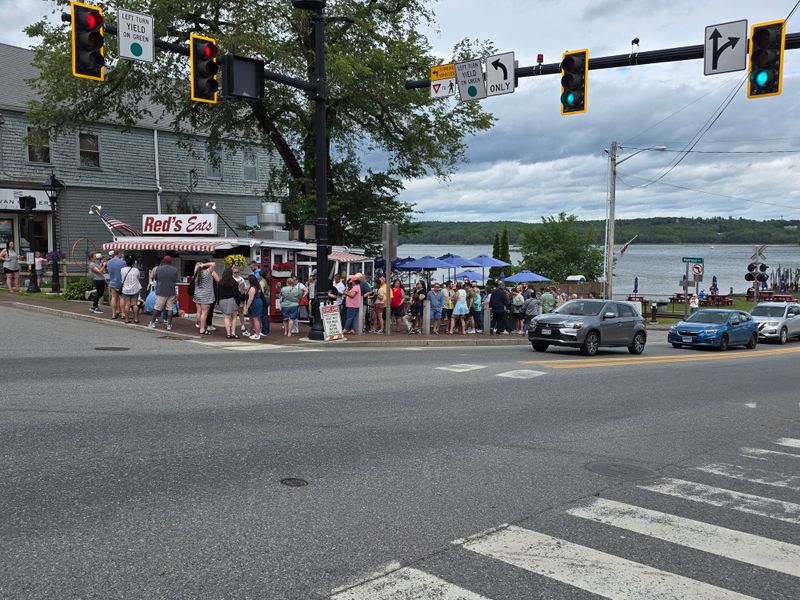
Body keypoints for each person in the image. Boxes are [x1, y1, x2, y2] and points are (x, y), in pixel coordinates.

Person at [148, 256, 179, 331]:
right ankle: (169, 325)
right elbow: (175, 280)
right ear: (170, 262)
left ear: (163, 261)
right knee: (170, 309)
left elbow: (156, 279)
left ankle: (153, 322)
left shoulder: (158, 269)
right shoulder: (175, 270)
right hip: (171, 291)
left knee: (157, 308)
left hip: (161, 291)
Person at [192, 261, 218, 335]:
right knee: (204, 313)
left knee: (198, 312)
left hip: (197, 295)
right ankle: (202, 329)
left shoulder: (196, 272)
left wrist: (200, 265)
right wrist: (203, 264)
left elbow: (196, 265)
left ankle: (200, 326)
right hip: (206, 296)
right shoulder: (207, 272)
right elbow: (213, 263)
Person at [218, 268, 243, 339]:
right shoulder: (234, 282)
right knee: (234, 317)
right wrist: (238, 301)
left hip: (222, 300)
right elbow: (236, 293)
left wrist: (218, 301)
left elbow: (218, 293)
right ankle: (233, 333)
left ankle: (228, 334)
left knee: (226, 317)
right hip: (232, 300)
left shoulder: (220, 282)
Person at [120, 256, 142, 323]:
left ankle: (126, 319)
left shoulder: (122, 269)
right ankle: (136, 319)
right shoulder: (136, 270)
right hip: (135, 289)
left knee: (127, 304)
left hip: (126, 289)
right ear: (133, 263)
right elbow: (138, 277)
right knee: (135, 304)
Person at [106, 250, 126, 320]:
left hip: (112, 282)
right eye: (121, 254)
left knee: (113, 297)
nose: (122, 255)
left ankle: (114, 313)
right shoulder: (123, 262)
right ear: (119, 254)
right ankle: (123, 313)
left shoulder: (108, 262)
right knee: (122, 298)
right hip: (120, 283)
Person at [243, 274, 263, 340]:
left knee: (255, 319)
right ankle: (248, 331)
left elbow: (250, 299)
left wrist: (247, 307)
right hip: (258, 302)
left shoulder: (252, 288)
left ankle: (257, 334)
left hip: (254, 304)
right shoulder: (258, 286)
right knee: (252, 318)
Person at [233, 267, 249, 334]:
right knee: (233, 312)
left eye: (237, 272)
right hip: (233, 297)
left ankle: (243, 325)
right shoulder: (231, 278)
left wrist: (242, 288)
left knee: (240, 311)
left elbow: (245, 288)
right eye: (235, 272)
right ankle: (232, 325)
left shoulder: (241, 278)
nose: (236, 273)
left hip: (240, 297)